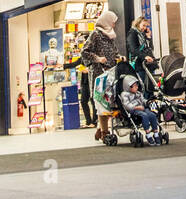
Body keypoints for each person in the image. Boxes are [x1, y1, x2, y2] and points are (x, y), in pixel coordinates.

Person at [80, 10, 120, 142]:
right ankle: (104, 132)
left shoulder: (110, 36)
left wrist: (119, 58)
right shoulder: (95, 35)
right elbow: (84, 52)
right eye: (113, 22)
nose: (114, 25)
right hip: (98, 74)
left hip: (110, 72)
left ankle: (99, 129)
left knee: (107, 101)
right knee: (101, 101)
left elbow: (114, 52)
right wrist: (97, 58)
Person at [62, 35, 95, 126]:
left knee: (93, 101)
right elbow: (75, 63)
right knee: (84, 101)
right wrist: (63, 66)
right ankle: (89, 121)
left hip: (93, 80)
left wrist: (89, 70)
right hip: (85, 81)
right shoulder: (84, 55)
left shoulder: (94, 53)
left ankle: (95, 121)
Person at [121, 77, 162, 144]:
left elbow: (143, 100)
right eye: (135, 86)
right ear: (129, 87)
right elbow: (126, 105)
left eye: (137, 86)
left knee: (152, 115)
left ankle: (156, 133)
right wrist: (136, 107)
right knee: (144, 115)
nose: (137, 87)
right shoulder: (124, 94)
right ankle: (148, 134)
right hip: (134, 111)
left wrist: (148, 102)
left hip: (142, 108)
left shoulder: (138, 93)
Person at [127, 17, 158, 95]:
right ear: (138, 23)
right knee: (144, 88)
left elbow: (150, 48)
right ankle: (146, 105)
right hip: (140, 65)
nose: (145, 28)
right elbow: (133, 49)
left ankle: (151, 104)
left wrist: (148, 37)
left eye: (146, 26)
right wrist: (144, 56)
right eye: (143, 25)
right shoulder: (132, 33)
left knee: (150, 87)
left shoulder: (143, 34)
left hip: (148, 64)